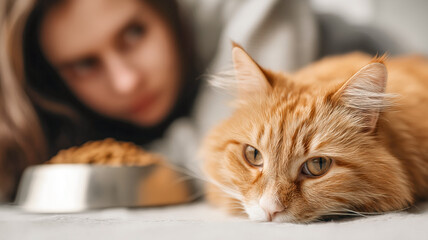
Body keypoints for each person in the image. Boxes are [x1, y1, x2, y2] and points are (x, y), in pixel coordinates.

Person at [0, 0, 318, 201]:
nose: (126, 81)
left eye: (134, 33)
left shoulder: (252, 7)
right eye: (85, 65)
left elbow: (213, 163)